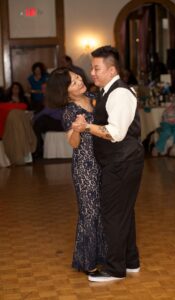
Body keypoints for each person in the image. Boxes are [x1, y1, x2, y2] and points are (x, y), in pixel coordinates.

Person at [72, 45, 144, 282]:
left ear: (111, 69)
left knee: (112, 214)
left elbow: (116, 133)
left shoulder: (120, 93)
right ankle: (130, 261)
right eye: (92, 68)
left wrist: (87, 127)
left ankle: (114, 269)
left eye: (96, 68)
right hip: (119, 162)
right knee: (124, 213)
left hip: (122, 162)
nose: (91, 73)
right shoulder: (106, 90)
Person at [45, 66, 106, 274]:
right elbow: (73, 143)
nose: (79, 82)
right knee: (89, 213)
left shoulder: (93, 96)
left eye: (78, 78)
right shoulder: (70, 111)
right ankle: (88, 263)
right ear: (65, 91)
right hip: (85, 167)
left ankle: (103, 255)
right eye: (73, 82)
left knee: (103, 210)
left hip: (105, 162)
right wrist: (78, 129)